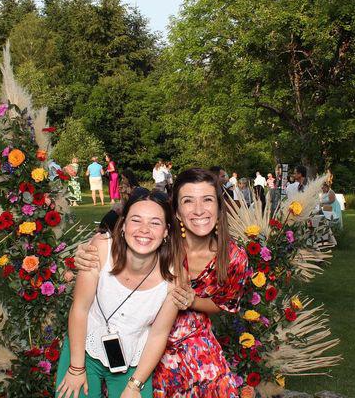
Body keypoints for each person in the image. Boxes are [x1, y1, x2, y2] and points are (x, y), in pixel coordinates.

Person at [76, 168, 248, 397]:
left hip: (194, 341)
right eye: (188, 201)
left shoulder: (234, 256)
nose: (199, 210)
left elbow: (225, 304)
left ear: (218, 206)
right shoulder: (159, 236)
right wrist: (86, 252)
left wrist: (192, 300)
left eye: (207, 200)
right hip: (140, 337)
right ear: (176, 211)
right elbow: (117, 239)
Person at [55, 190, 181, 398]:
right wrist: (76, 368)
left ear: (166, 232)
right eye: (136, 220)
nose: (144, 230)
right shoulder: (101, 249)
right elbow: (80, 308)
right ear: (123, 225)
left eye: (155, 223)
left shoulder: (174, 278)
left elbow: (159, 334)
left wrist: (134, 386)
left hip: (132, 360)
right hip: (83, 348)